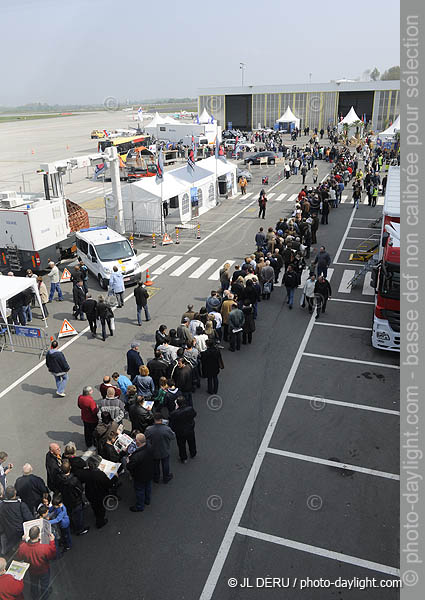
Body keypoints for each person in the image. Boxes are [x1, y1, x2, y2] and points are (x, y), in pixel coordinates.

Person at [16, 526, 56, 600]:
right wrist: (52, 541)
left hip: (32, 570)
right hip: (44, 570)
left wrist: (22, 541)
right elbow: (52, 555)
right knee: (44, 584)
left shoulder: (22, 547)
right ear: (38, 535)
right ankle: (45, 597)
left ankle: (34, 596)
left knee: (34, 584)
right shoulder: (44, 547)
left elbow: (19, 557)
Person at [75, 456, 111, 529]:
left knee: (94, 506)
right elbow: (108, 484)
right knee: (101, 509)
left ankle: (96, 514)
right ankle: (100, 522)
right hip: (100, 495)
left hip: (90, 493)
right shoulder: (100, 475)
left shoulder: (85, 473)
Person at [57, 460, 89, 536]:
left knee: (70, 513)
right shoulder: (74, 480)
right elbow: (80, 489)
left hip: (66, 499)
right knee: (78, 516)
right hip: (76, 501)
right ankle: (80, 529)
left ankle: (72, 526)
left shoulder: (59, 478)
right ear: (70, 468)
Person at [0, 486, 33, 554]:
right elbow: (30, 519)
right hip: (19, 533)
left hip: (6, 533)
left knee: (7, 551)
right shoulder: (21, 505)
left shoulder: (1, 506)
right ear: (15, 493)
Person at [127, 433, 155, 512]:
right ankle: (147, 500)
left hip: (140, 476)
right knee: (148, 487)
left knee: (140, 490)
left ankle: (140, 506)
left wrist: (128, 461)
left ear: (138, 442)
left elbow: (129, 467)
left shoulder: (136, 456)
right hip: (149, 472)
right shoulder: (150, 447)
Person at [145, 413, 176, 483]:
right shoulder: (167, 429)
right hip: (165, 449)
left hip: (154, 450)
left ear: (154, 419)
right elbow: (173, 437)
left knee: (156, 465)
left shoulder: (149, 429)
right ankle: (166, 477)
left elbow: (146, 438)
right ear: (161, 419)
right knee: (165, 464)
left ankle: (156, 478)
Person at [169, 397, 197, 463]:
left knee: (181, 445)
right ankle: (193, 453)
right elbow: (194, 414)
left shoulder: (174, 413)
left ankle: (183, 458)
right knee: (192, 442)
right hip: (190, 429)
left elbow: (172, 421)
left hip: (180, 432)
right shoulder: (190, 409)